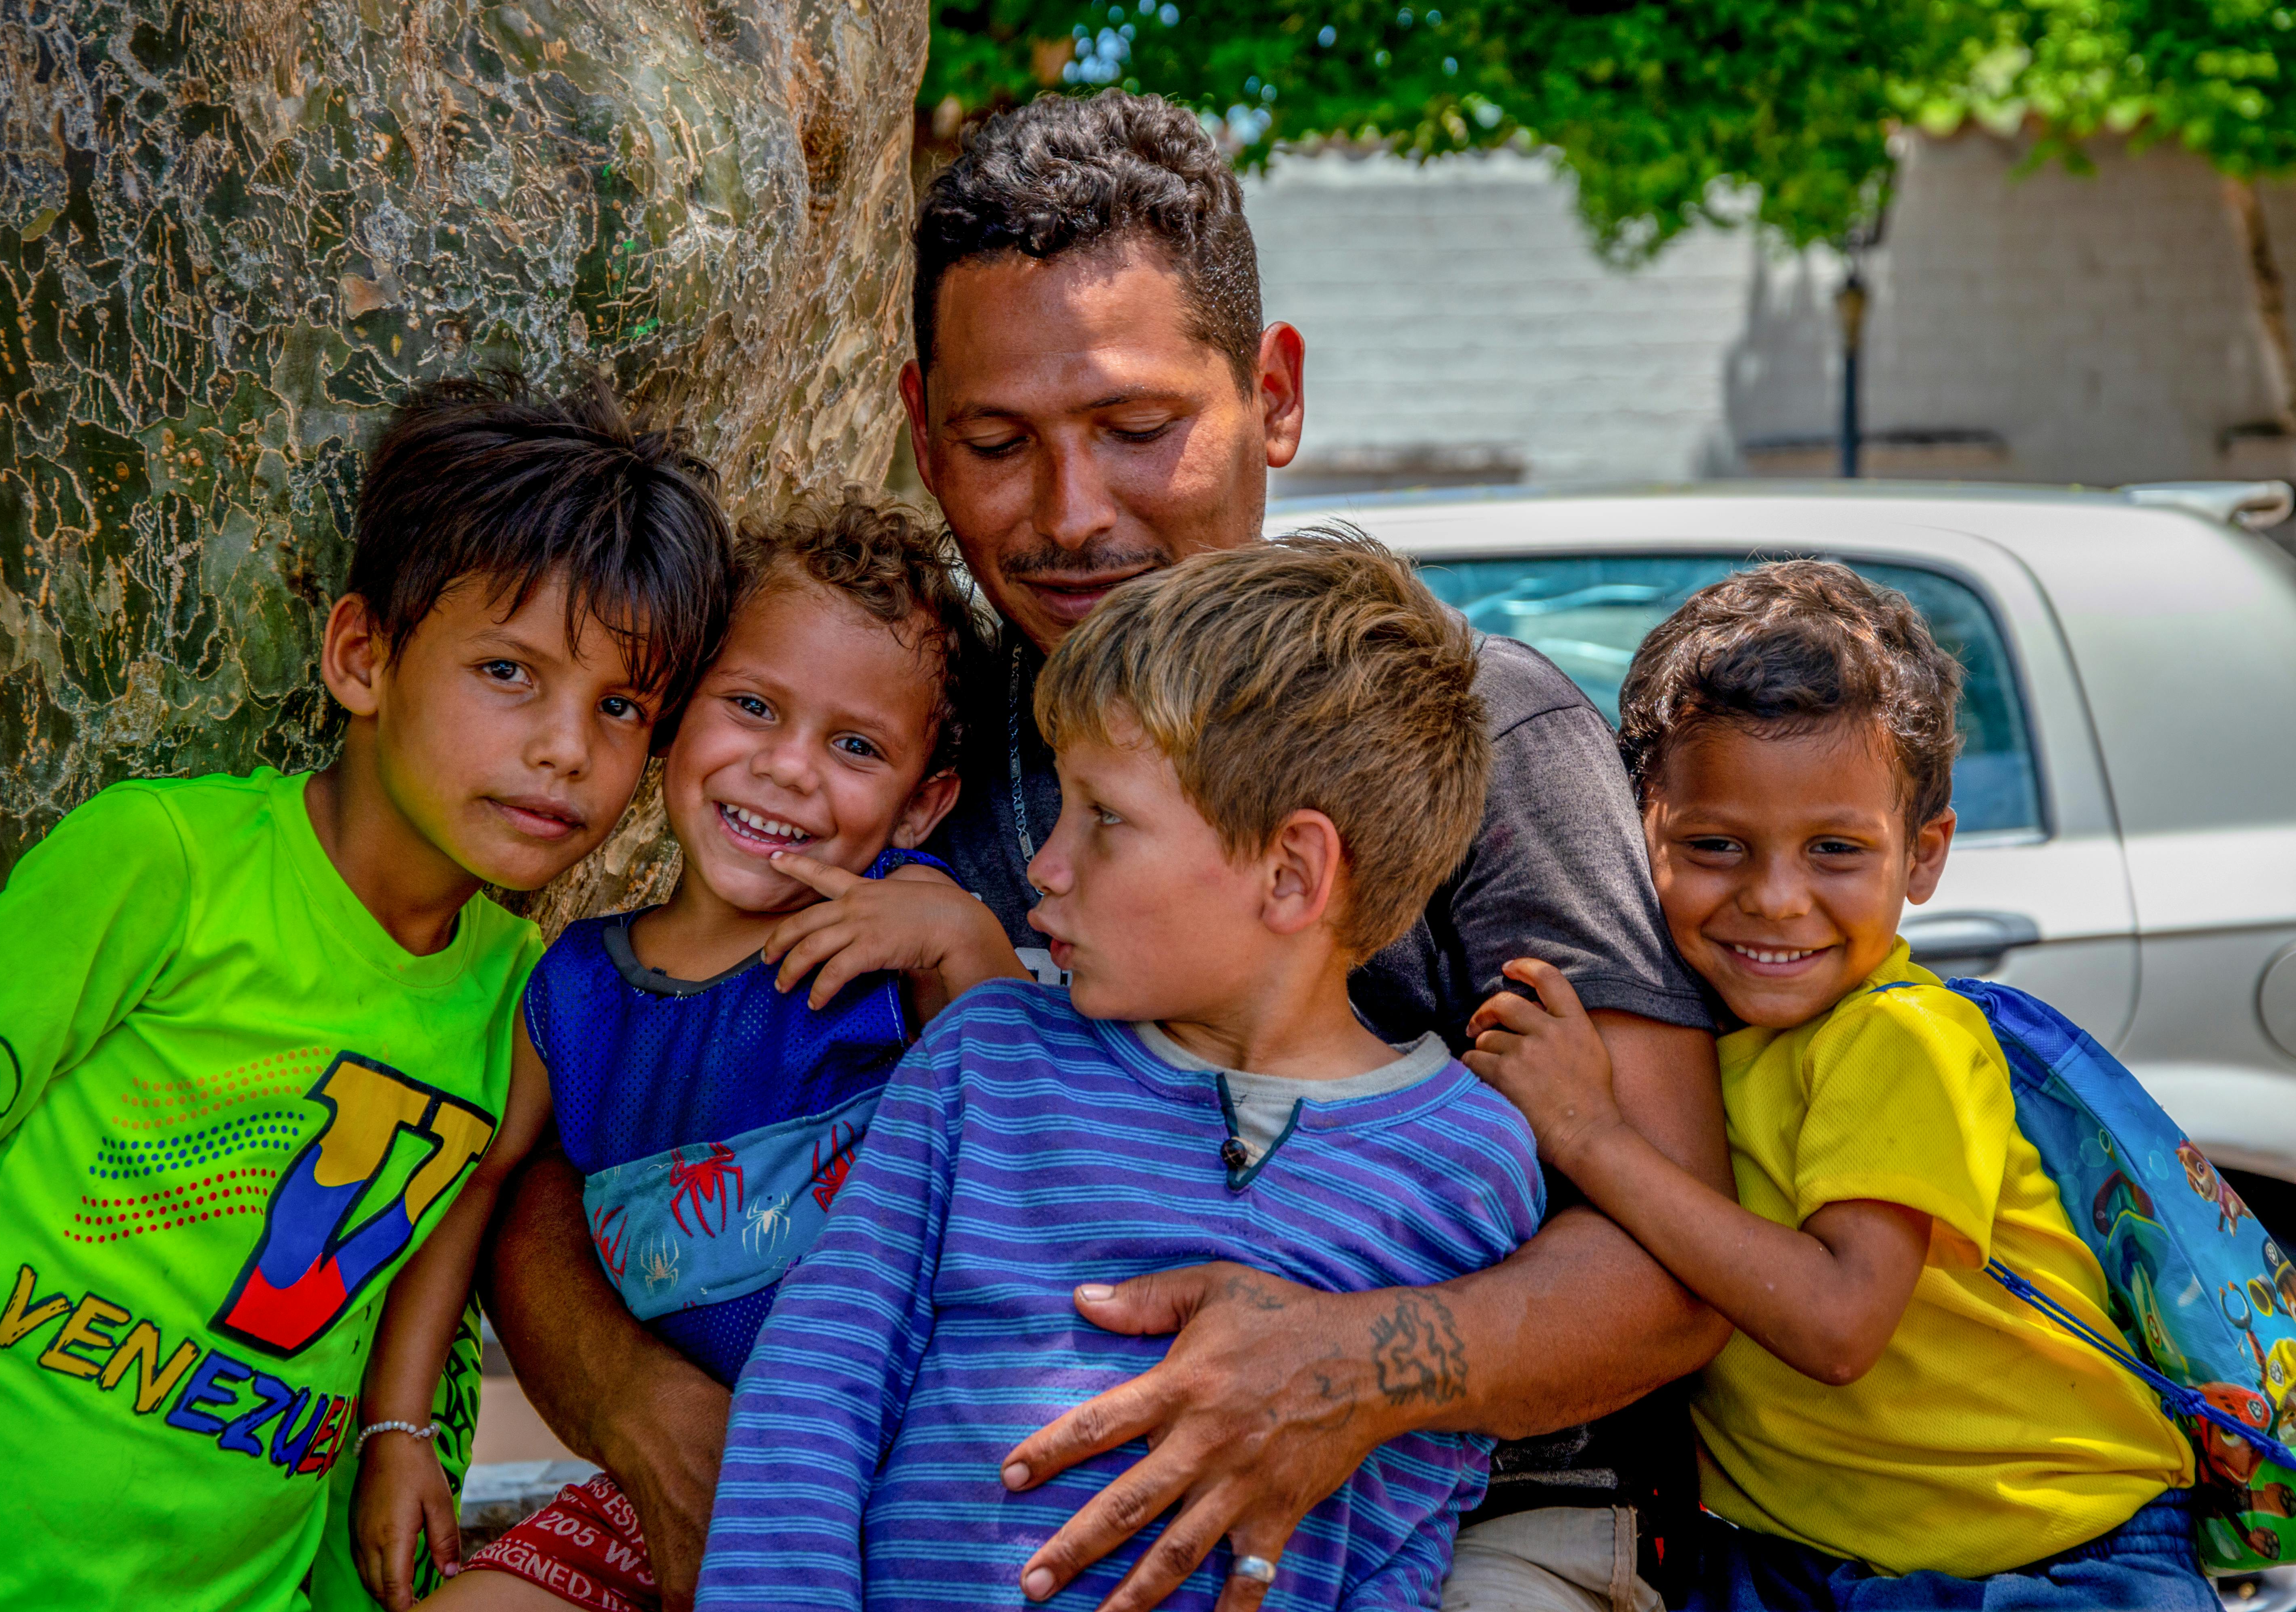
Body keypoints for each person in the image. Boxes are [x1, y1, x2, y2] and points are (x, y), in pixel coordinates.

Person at [484, 91, 1731, 1612]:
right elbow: (583, 1107)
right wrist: (653, 1417)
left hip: (1468, 1527)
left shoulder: (1469, 733)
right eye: (996, 443)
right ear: (918, 434)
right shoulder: (890, 739)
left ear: (1272, 395)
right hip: (917, 1508)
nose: (1074, 515)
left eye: (1139, 430)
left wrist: (1346, 1371)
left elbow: (1678, 1267)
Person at [0, 375, 731, 1611]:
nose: (568, 750)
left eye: (621, 708)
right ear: (362, 656)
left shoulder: (524, 1001)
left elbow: (408, 1329)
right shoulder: (163, 867)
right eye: (508, 672)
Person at [695, 530, 1546, 1611]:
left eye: (1105, 820)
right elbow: (823, 1375)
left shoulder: (1465, 1163)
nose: (1045, 867)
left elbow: (1412, 1523)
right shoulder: (984, 1059)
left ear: (1291, 875)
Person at [1473, 560, 2212, 1610]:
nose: (1775, 899)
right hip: (1799, 1559)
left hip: (2050, 1563)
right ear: (1635, 833)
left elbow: (1836, 1325)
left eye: (1834, 850)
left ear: (1925, 856)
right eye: (1716, 846)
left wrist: (1593, 1137)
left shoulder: (1902, 1039)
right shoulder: (1688, 1046)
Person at [362, 497, 1026, 1612]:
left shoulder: (895, 956)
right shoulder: (571, 991)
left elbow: (1032, 1128)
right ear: (675, 720)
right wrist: (397, 1427)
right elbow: (468, 1191)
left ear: (924, 805)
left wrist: (960, 938)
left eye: (855, 746)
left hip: (914, 1483)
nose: (786, 769)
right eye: (753, 707)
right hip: (674, 1484)